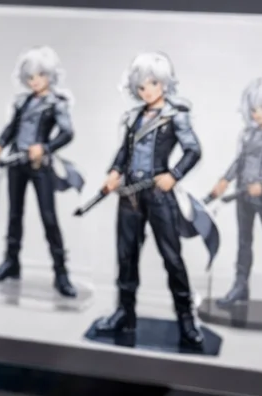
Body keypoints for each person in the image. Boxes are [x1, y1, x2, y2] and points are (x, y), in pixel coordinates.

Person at [91, 52, 205, 348]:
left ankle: (186, 319)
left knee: (172, 257)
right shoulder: (134, 117)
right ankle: (124, 312)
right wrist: (114, 172)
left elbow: (193, 150)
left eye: (153, 83)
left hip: (157, 192)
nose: (147, 91)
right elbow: (124, 151)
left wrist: (174, 175)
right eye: (141, 86)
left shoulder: (175, 115)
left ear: (164, 82)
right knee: (126, 255)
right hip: (130, 193)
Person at [0, 46, 79, 297]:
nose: (35, 81)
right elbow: (11, 128)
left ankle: (61, 273)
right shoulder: (23, 101)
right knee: (14, 214)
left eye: (40, 75)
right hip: (16, 162)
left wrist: (45, 147)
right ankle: (11, 263)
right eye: (31, 77)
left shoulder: (56, 103)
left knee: (49, 217)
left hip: (39, 165)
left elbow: (67, 133)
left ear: (50, 75)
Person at [210, 78, 262, 319]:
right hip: (242, 196)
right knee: (243, 243)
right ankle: (240, 288)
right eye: (254, 108)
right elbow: (240, 161)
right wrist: (224, 180)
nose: (257, 113)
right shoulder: (247, 134)